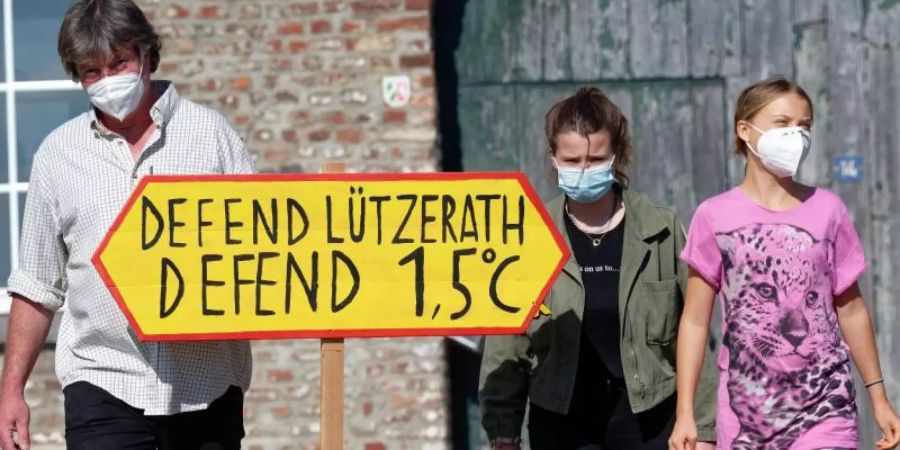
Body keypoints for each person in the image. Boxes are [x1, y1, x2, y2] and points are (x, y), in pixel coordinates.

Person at [0, 1, 254, 449]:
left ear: (147, 56)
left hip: (206, 388)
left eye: (119, 62)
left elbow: (260, 250)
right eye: (91, 72)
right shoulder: (58, 156)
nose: (108, 80)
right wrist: (10, 392)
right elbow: (38, 283)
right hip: (102, 386)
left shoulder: (213, 137)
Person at [479, 87, 718, 450]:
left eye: (595, 160)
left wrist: (703, 427)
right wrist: (503, 432)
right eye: (572, 161)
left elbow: (696, 331)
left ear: (616, 156)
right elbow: (507, 345)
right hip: (562, 423)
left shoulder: (660, 228)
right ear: (553, 157)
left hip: (650, 420)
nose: (583, 171)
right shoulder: (531, 235)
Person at [669, 77, 900, 450]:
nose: (796, 135)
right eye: (783, 123)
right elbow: (695, 320)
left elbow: (851, 308)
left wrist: (879, 398)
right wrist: (685, 414)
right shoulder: (713, 216)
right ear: (745, 130)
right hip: (746, 414)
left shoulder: (829, 210)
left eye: (804, 126)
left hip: (826, 405)